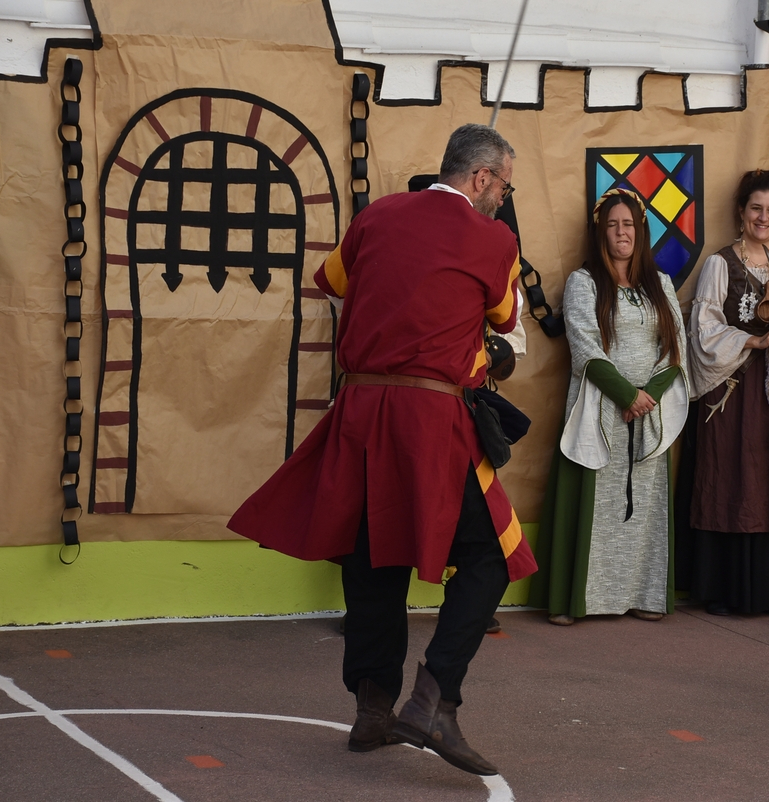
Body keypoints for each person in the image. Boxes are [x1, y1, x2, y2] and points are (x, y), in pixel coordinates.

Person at [228, 124, 537, 777]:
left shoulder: (375, 217)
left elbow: (330, 279)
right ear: (481, 177)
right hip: (428, 416)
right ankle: (433, 701)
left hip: (362, 411)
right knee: (492, 553)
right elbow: (507, 318)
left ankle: (372, 711)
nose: (503, 199)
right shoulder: (496, 240)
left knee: (372, 554)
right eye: (504, 187)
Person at [529, 188, 688, 625]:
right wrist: (625, 395)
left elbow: (675, 347)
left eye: (629, 224)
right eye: (613, 225)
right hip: (599, 409)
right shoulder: (584, 282)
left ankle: (641, 592)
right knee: (594, 508)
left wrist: (647, 395)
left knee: (642, 508)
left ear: (641, 231)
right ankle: (575, 600)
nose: (622, 233)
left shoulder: (660, 284)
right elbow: (584, 345)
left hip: (648, 412)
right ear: (600, 232)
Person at [684, 169, 769, 616]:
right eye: (756, 208)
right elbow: (703, 330)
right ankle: (730, 591)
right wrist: (755, 340)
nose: (764, 217)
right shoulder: (720, 264)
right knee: (734, 479)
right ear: (741, 212)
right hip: (735, 392)